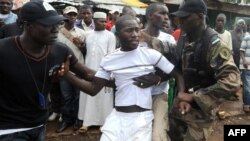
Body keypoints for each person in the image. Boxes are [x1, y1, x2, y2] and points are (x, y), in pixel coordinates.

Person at [61, 15, 187, 141]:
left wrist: (179, 93)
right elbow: (93, 89)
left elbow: (177, 73)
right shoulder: (109, 59)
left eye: (137, 30)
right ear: (118, 34)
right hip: (117, 118)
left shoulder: (151, 55)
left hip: (142, 120)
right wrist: (67, 75)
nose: (135, 34)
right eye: (129, 30)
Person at [0, 1, 95, 140]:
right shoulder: (3, 50)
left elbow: (88, 75)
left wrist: (125, 76)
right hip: (9, 130)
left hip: (39, 126)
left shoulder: (59, 50)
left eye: (57, 23)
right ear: (28, 25)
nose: (56, 29)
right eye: (48, 24)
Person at [170, 0, 241, 140]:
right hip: (180, 106)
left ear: (201, 17)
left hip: (201, 116)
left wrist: (193, 97)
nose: (180, 21)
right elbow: (179, 69)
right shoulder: (184, 37)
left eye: (185, 17)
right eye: (180, 17)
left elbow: (232, 81)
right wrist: (183, 93)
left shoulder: (215, 45)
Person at [139, 3, 176, 141]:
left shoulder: (169, 39)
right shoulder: (135, 37)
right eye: (162, 13)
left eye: (167, 14)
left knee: (158, 136)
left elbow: (175, 69)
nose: (166, 17)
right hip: (137, 95)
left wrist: (159, 78)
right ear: (150, 16)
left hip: (160, 94)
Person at [78, 11, 116, 132]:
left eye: (105, 21)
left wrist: (108, 72)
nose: (104, 23)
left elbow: (111, 55)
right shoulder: (88, 34)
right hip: (88, 69)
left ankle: (103, 123)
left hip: (103, 70)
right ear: (94, 21)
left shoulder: (110, 36)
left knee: (104, 96)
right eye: (101, 21)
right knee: (88, 94)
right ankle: (87, 122)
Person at [56, 5, 86, 133]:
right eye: (69, 14)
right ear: (64, 15)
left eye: (74, 14)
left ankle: (77, 120)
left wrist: (81, 45)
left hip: (78, 69)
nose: (71, 17)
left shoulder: (82, 33)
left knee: (78, 96)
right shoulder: (57, 32)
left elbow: (86, 52)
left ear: (76, 16)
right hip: (64, 69)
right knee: (66, 96)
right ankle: (67, 120)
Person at [240, 34, 250, 113]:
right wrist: (244, 60)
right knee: (247, 87)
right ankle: (246, 105)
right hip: (246, 66)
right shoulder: (246, 38)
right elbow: (241, 51)